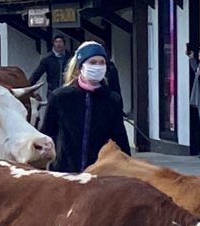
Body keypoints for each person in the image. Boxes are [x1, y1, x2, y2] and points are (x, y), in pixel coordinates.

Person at [40, 41, 131, 174]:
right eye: (93, 62)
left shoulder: (112, 99)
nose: (98, 66)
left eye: (102, 62)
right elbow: (47, 133)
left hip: (98, 174)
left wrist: (128, 167)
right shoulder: (60, 97)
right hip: (64, 173)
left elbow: (120, 137)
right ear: (80, 67)